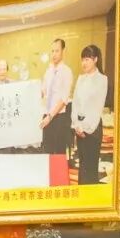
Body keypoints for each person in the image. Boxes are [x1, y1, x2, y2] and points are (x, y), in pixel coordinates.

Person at [72, 43, 109, 185]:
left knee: (91, 167)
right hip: (79, 128)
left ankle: (91, 195)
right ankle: (82, 195)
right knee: (82, 167)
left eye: (87, 59)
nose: (84, 63)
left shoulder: (102, 80)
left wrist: (84, 127)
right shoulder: (81, 79)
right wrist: (76, 125)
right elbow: (75, 103)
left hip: (92, 129)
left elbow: (96, 108)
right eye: (82, 59)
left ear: (95, 60)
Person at [40, 37, 73, 182]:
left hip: (59, 118)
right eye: (52, 51)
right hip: (46, 117)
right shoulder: (48, 71)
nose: (54, 54)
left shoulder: (67, 72)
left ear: (63, 51)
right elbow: (43, 92)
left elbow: (64, 99)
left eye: (57, 51)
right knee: (47, 152)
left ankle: (60, 185)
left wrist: (50, 116)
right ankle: (48, 183)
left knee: (58, 153)